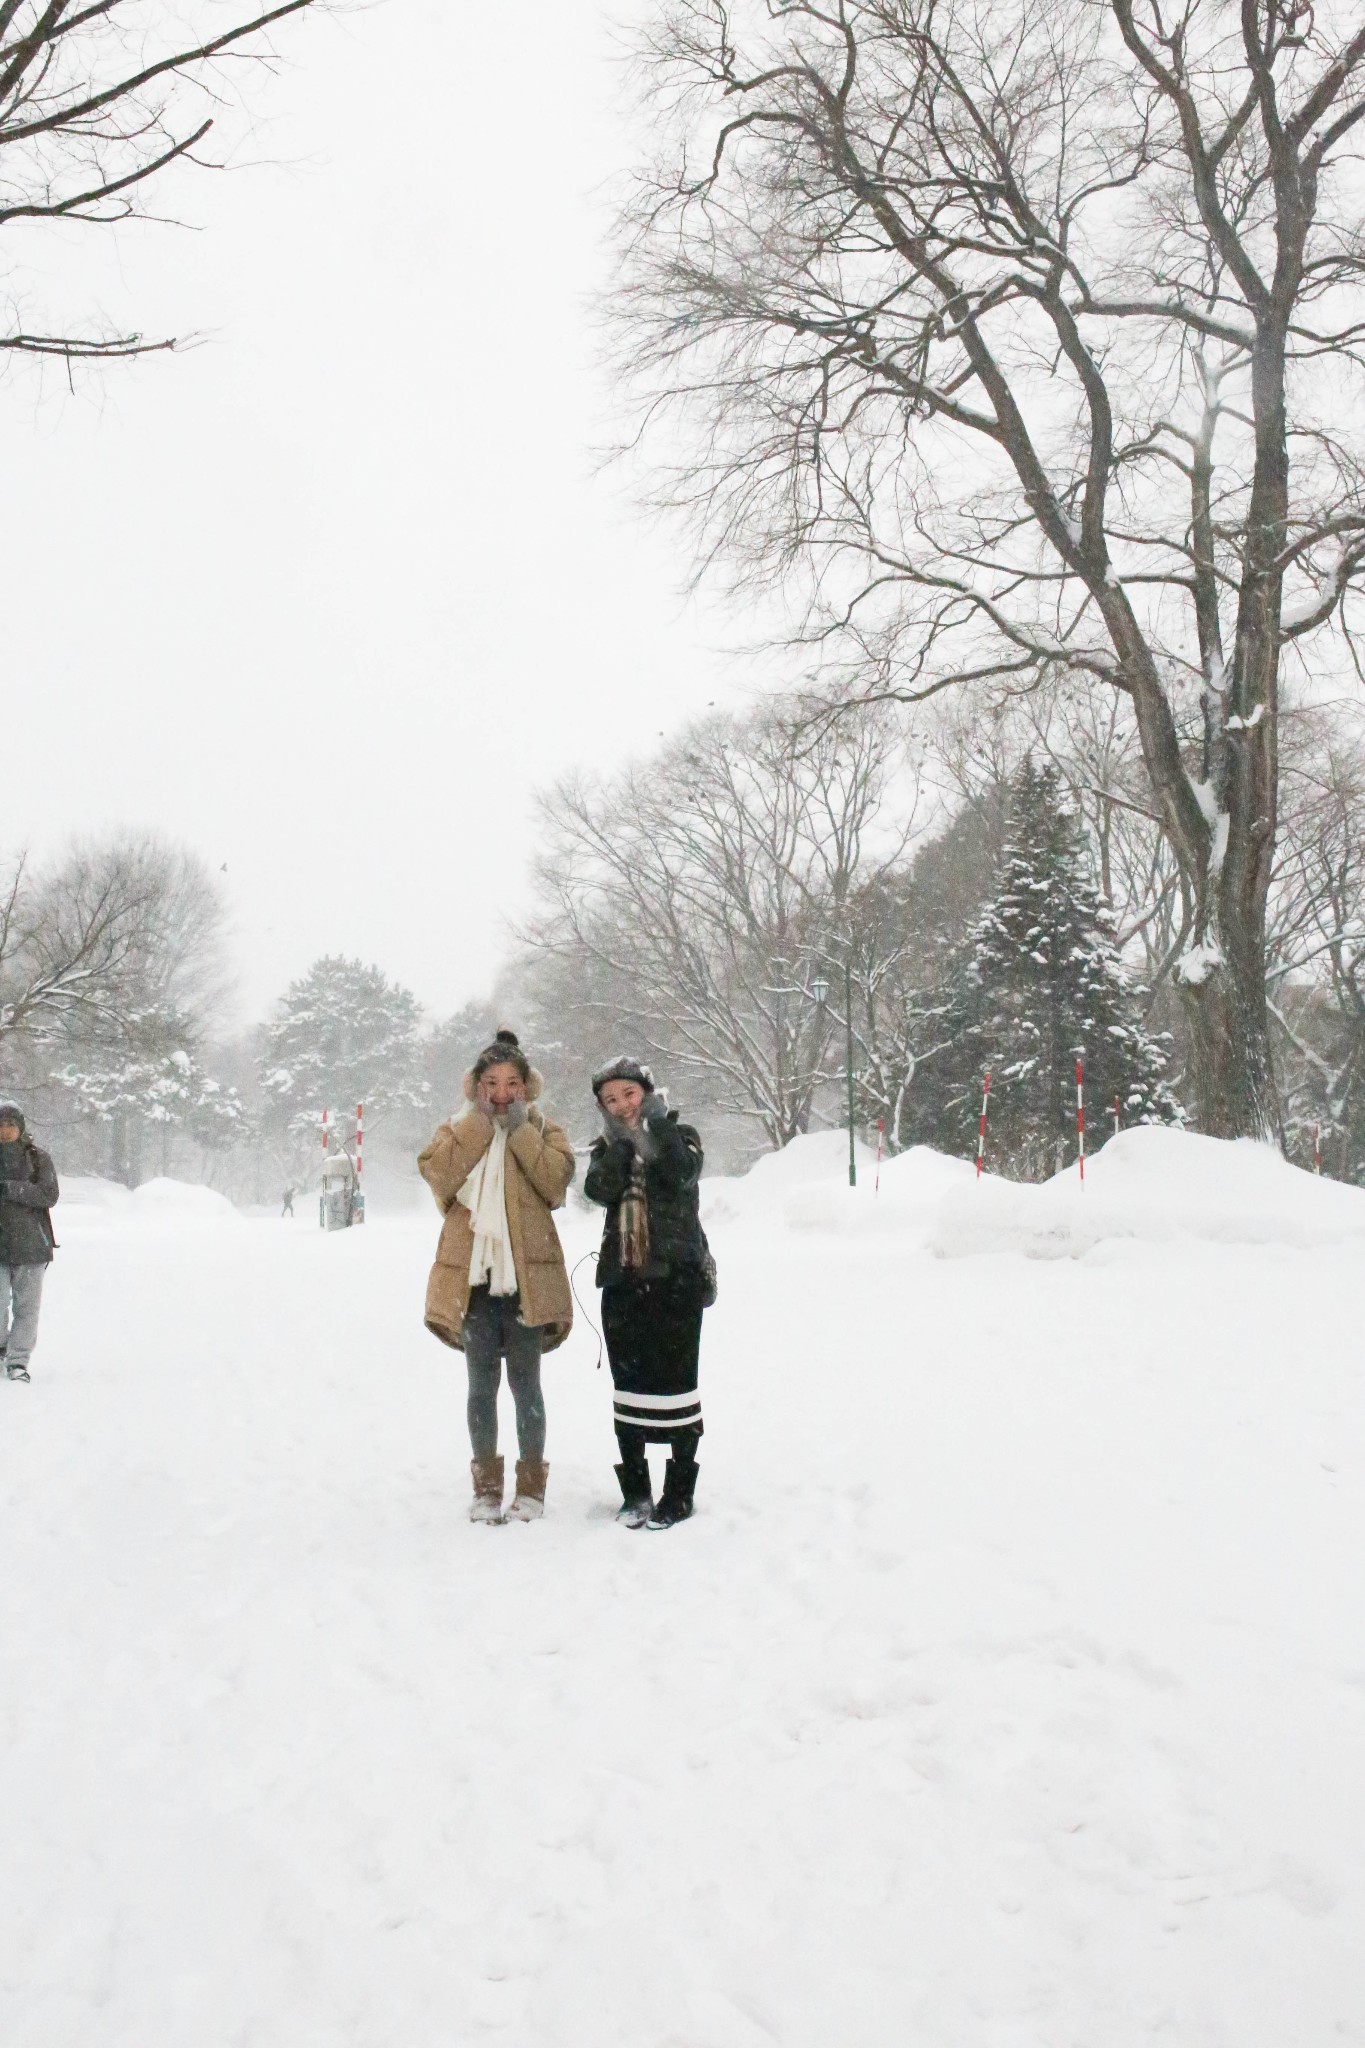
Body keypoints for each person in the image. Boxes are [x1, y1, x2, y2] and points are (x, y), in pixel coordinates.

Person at [417, 1029, 575, 1524]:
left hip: (526, 1279)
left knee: (527, 1385)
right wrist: (480, 1126)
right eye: (490, 1082)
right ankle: (486, 1489)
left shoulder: (545, 1129)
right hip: (474, 1281)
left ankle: (531, 1488)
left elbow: (554, 1183)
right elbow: (438, 1175)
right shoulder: (456, 1129)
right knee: (480, 1386)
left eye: (511, 1082)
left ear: (527, 1086)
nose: (501, 1093)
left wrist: (521, 1128)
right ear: (475, 1086)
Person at [584, 1057, 709, 1530]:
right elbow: (599, 1189)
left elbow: (681, 1173)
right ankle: (635, 1492)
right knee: (629, 1387)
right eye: (610, 1100)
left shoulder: (683, 1135)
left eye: (628, 1095)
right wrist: (620, 1144)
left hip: (677, 1276)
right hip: (623, 1279)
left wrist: (656, 1124)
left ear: (648, 1093)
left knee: (678, 1383)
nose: (620, 1105)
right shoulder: (604, 1149)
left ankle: (678, 1492)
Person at [0, 1100, 59, 1384]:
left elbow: (49, 1195)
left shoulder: (38, 1158)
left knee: (27, 1308)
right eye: (0, 1125)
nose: (5, 1131)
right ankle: (1, 1349)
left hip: (31, 1245)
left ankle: (18, 1361)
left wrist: (9, 1188)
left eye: (10, 1125)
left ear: (20, 1127)